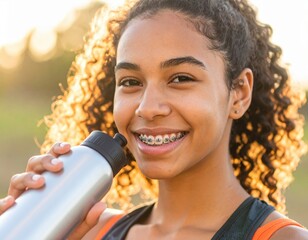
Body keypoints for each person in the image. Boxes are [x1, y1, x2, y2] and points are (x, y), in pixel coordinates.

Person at [0, 0, 308, 239]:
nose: (146, 108)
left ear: (239, 93)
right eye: (131, 81)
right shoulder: (90, 232)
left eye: (180, 78)